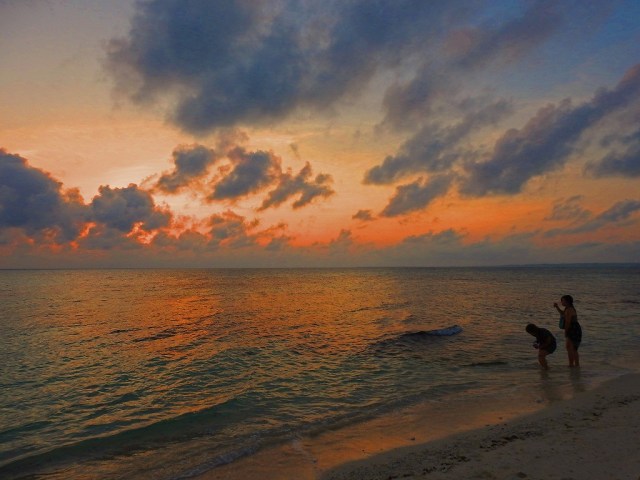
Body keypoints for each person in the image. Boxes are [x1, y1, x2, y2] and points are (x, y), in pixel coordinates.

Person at [554, 294, 582, 367]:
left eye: (562, 300)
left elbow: (568, 322)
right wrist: (557, 307)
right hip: (573, 328)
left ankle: (573, 365)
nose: (561, 302)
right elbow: (563, 314)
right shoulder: (567, 308)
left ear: (567, 301)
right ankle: (573, 365)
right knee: (570, 347)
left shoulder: (569, 309)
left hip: (573, 329)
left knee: (572, 348)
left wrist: (566, 332)